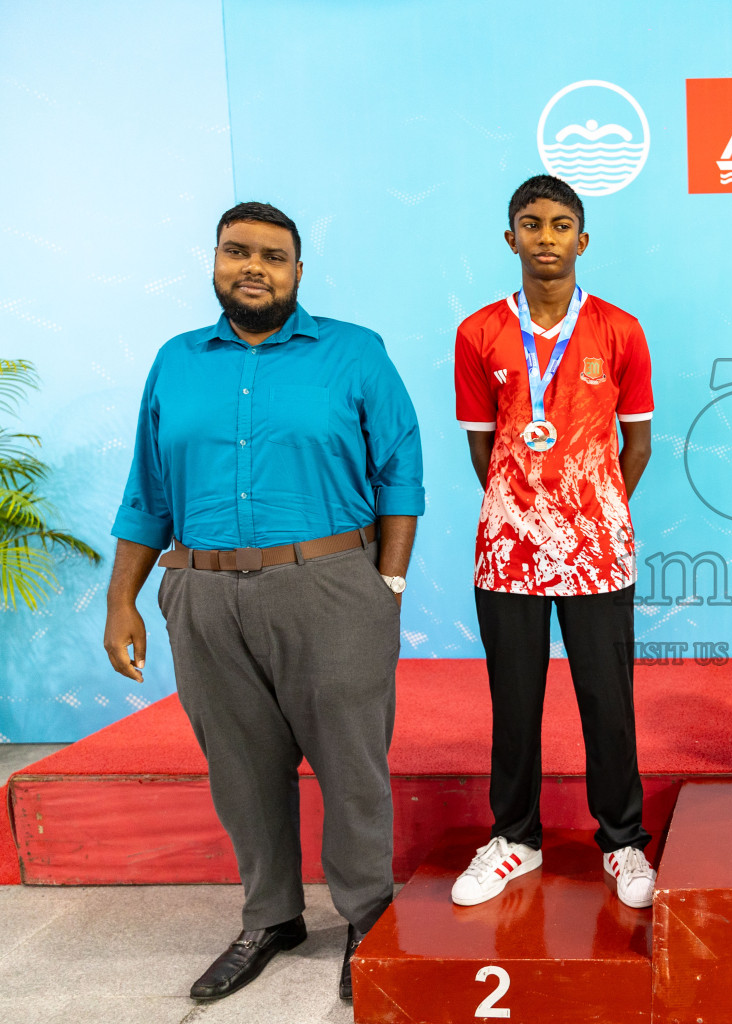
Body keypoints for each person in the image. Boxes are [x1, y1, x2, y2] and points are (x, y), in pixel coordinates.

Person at [102, 202, 424, 1001]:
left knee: (352, 767)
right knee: (241, 770)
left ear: (298, 272)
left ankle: (367, 916)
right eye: (237, 252)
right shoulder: (176, 361)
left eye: (273, 256)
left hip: (330, 588)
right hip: (202, 595)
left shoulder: (353, 353)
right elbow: (147, 491)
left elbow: (401, 470)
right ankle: (271, 917)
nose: (254, 267)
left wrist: (387, 583)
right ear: (213, 261)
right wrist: (124, 600)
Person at [451, 175, 657, 909]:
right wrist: (528, 511)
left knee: (608, 698)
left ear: (583, 239)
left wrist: (587, 509)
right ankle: (515, 838)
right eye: (531, 224)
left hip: (597, 546)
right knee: (515, 700)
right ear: (511, 238)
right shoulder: (478, 332)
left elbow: (638, 444)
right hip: (508, 547)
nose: (546, 237)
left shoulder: (620, 329)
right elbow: (487, 450)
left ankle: (624, 842)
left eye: (561, 224)